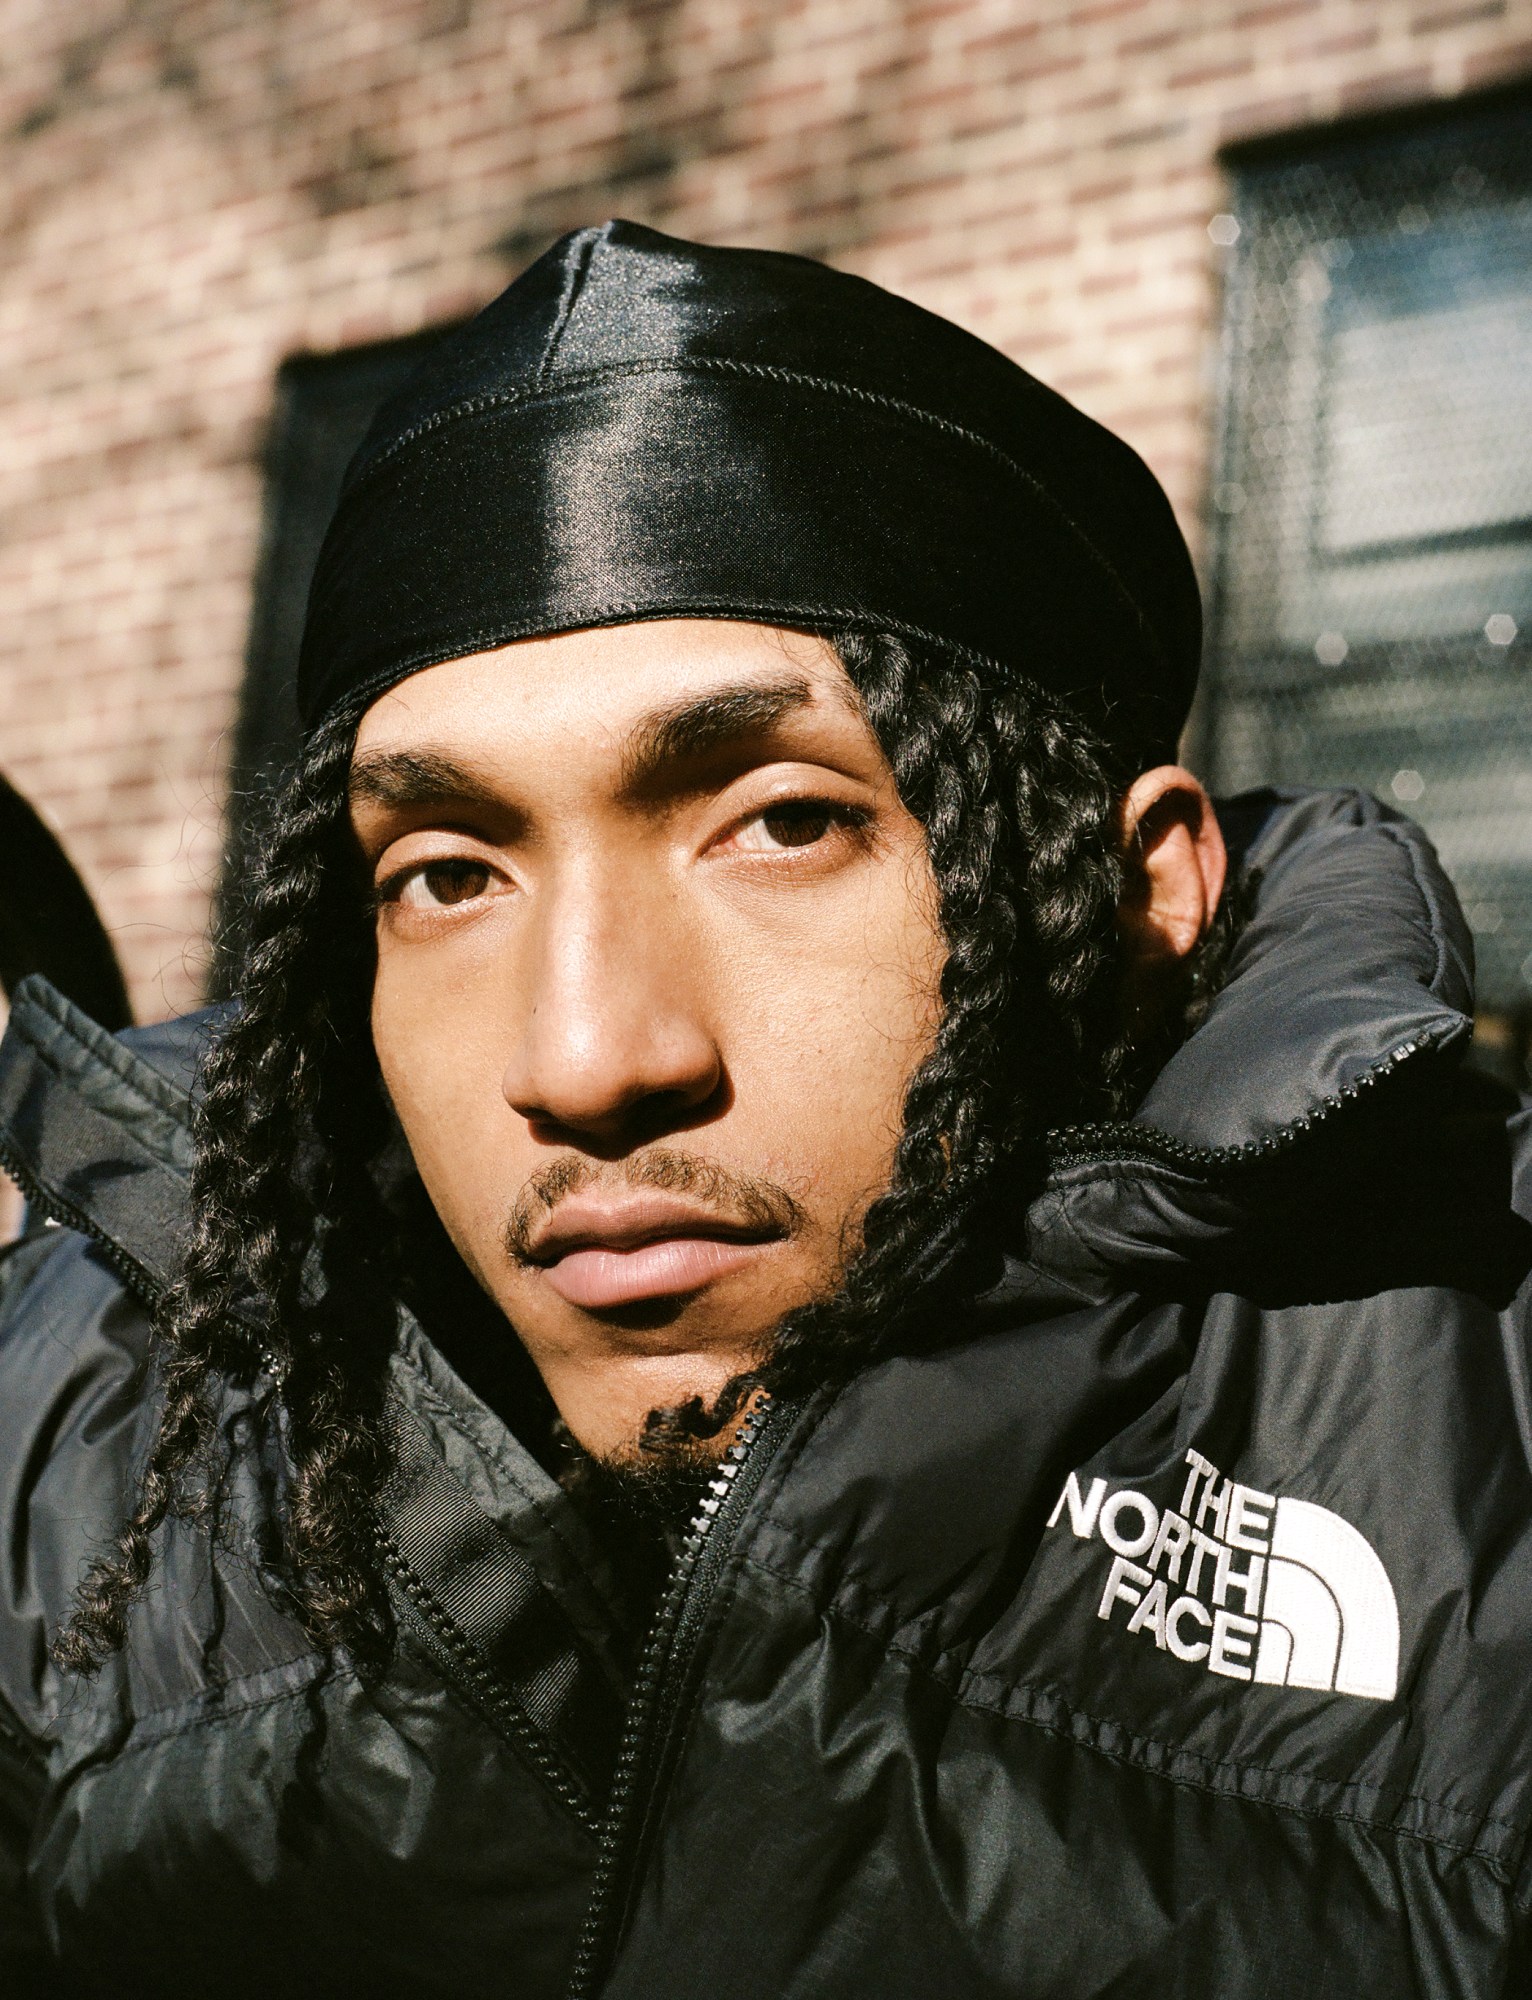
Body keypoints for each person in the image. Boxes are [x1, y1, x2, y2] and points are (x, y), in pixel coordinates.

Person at [0, 220, 1528, 2000]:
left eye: (785, 823)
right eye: (444, 873)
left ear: (1138, 896)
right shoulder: (85, 1423)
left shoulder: (1477, 1415)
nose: (581, 1057)